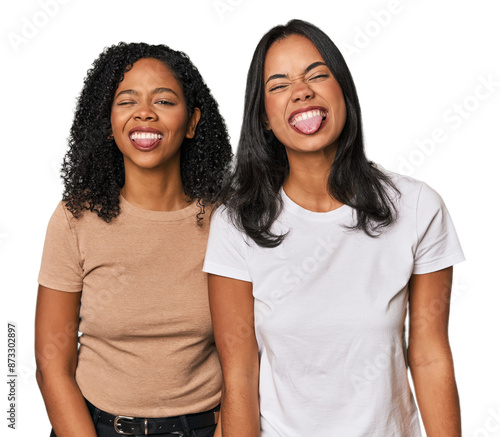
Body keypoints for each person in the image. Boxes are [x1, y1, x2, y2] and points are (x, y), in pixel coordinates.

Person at [204, 19, 464, 437]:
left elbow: (431, 356)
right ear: (265, 119)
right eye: (279, 84)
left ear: (343, 91)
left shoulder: (416, 207)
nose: (302, 90)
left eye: (317, 75)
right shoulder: (237, 224)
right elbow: (239, 377)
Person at [35, 42, 232, 437]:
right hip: (94, 427)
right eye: (127, 101)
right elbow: (51, 364)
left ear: (192, 122)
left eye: (163, 100)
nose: (145, 112)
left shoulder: (227, 221)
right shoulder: (74, 218)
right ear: (108, 123)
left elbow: (248, 357)